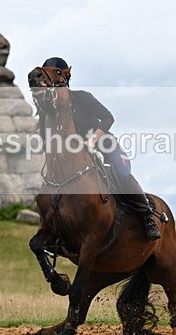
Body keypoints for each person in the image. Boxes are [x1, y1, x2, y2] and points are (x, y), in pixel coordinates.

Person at [40, 57, 162, 240]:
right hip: (74, 156)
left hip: (105, 146)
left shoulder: (82, 98)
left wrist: (91, 140)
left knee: (121, 173)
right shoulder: (50, 110)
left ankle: (147, 218)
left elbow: (107, 117)